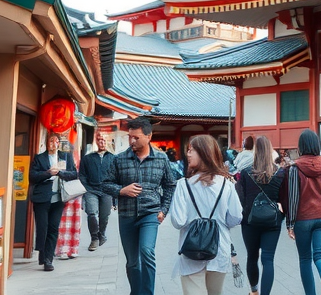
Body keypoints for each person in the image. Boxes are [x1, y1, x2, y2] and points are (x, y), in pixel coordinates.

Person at [102, 117, 178, 295]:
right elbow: (105, 184)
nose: (132, 141)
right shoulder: (119, 159)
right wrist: (122, 190)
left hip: (150, 214)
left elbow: (170, 185)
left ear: (149, 136)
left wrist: (164, 210)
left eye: (136, 137)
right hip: (127, 215)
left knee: (147, 252)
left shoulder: (161, 158)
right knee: (132, 262)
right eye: (130, 137)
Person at [169, 134, 243, 294]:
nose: (187, 154)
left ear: (204, 153)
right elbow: (236, 218)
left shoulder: (183, 186)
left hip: (191, 251)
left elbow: (178, 221)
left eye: (191, 150)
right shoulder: (227, 184)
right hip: (219, 249)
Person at [281, 129, 321, 295]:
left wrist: (290, 223)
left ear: (300, 146)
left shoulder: (295, 168)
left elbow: (293, 198)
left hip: (303, 218)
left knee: (305, 259)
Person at [235, 135, 286, 295]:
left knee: (252, 257)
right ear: (270, 151)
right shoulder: (280, 173)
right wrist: (281, 218)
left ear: (255, 152)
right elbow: (285, 200)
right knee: (268, 259)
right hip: (272, 222)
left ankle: (254, 291)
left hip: (250, 222)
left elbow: (240, 200)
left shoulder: (245, 173)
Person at [29, 132, 78, 271]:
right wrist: (48, 173)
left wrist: (60, 173)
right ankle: (43, 254)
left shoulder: (65, 156)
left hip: (59, 198)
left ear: (59, 143)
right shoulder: (40, 158)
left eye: (56, 141)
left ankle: (48, 259)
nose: (53, 144)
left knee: (53, 228)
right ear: (46, 143)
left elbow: (74, 173)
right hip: (42, 198)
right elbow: (33, 176)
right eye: (51, 141)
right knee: (43, 228)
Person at [80, 131, 115, 251]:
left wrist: (115, 195)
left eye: (104, 140)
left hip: (107, 190)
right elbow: (82, 175)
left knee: (104, 216)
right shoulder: (88, 158)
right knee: (92, 213)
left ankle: (102, 234)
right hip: (91, 190)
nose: (102, 142)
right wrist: (86, 188)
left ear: (108, 142)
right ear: (96, 141)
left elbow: (117, 177)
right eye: (100, 139)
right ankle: (94, 238)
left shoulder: (113, 158)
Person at [56, 135, 84, 261]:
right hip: (69, 190)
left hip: (69, 190)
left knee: (68, 221)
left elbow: (74, 172)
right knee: (65, 221)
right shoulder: (69, 149)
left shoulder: (66, 150)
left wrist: (60, 173)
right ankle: (66, 249)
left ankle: (68, 249)